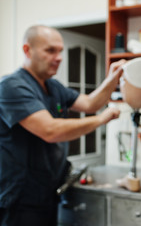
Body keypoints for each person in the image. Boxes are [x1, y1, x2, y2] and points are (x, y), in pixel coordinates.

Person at [0, 25, 124, 226]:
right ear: (27, 50)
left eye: (60, 51)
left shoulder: (52, 86)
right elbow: (50, 131)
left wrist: (112, 78)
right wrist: (102, 119)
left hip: (47, 193)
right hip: (21, 200)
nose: (58, 57)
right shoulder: (12, 87)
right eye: (50, 50)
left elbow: (90, 103)